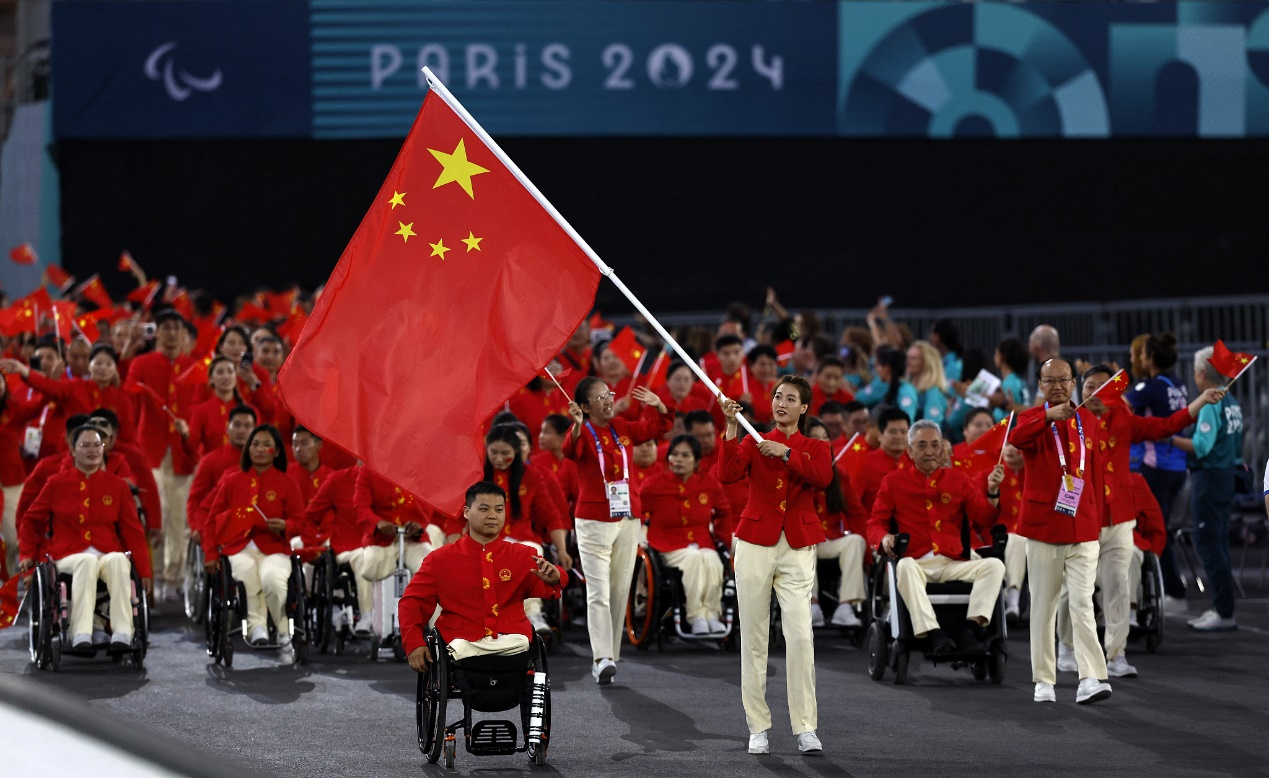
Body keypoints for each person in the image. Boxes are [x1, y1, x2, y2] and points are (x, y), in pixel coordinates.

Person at [1057, 365, 1225, 676]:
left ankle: (1116, 654)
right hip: (1083, 519)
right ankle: (1065, 646)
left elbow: (1166, 425)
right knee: (1073, 587)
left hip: (1120, 519)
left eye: (1100, 386)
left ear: (1114, 392)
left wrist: (1200, 401)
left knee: (1119, 584)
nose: (1093, 392)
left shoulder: (1123, 419)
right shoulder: (1068, 422)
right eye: (1087, 386)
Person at [718, 376, 831, 756]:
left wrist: (784, 453)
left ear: (804, 408)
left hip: (797, 545)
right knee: (753, 637)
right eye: (778, 396)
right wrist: (732, 427)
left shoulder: (814, 446)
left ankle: (806, 727)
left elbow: (823, 477)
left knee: (800, 636)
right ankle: (758, 727)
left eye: (791, 399)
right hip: (753, 542)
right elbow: (727, 474)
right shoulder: (752, 438)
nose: (782, 403)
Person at [1008, 358, 1111, 705]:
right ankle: (1043, 680)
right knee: (1044, 606)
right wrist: (1045, 417)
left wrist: (1097, 522)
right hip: (1042, 528)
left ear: (1073, 383)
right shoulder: (1030, 418)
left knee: (1082, 602)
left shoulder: (1089, 421)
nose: (1056, 386)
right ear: (1039, 384)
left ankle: (1091, 677)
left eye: (1063, 380)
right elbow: (1018, 439)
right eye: (1049, 380)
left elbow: (1094, 475)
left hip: (1083, 527)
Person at [564, 378, 673, 685]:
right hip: (594, 520)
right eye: (599, 398)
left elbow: (658, 427)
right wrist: (575, 425)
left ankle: (611, 654)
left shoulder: (622, 427)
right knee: (598, 591)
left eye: (608, 394)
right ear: (585, 407)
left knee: (619, 589)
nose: (608, 400)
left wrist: (658, 404)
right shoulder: (583, 431)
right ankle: (601, 658)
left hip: (627, 517)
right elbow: (570, 451)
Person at [868, 419, 1004, 654]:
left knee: (994, 566)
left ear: (942, 448)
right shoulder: (893, 482)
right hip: (917, 562)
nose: (929, 451)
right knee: (904, 566)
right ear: (910, 451)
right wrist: (885, 538)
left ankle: (970, 630)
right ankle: (933, 633)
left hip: (953, 561)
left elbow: (985, 518)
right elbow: (875, 524)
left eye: (934, 445)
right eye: (921, 445)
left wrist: (992, 490)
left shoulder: (959, 480)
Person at [400, 482, 566, 671]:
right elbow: (412, 602)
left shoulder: (523, 555)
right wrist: (414, 643)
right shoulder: (439, 559)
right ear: (466, 512)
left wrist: (555, 577)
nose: (492, 515)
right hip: (460, 642)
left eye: (499, 509)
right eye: (484, 509)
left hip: (513, 639)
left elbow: (554, 580)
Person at [17, 424, 152, 651]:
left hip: (107, 551)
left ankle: (122, 632)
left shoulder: (117, 486)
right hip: (67, 555)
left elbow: (133, 531)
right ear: (72, 450)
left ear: (104, 449)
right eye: (84, 445)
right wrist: (27, 554)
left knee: (120, 560)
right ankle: (80, 633)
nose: (92, 450)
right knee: (86, 561)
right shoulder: (56, 484)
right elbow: (30, 521)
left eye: (97, 445)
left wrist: (145, 571)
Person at [203, 424, 306, 661]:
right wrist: (210, 554)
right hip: (238, 548)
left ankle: (282, 632)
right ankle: (257, 627)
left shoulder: (287, 483)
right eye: (255, 444)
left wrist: (285, 526)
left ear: (277, 451)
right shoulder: (231, 481)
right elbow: (211, 521)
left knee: (272, 580)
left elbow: (300, 522)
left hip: (275, 549)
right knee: (247, 576)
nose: (260, 449)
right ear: (248, 449)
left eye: (266, 445)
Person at [1168, 346, 1243, 632]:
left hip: (1209, 478)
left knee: (1209, 544)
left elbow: (1201, 447)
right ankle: (1222, 608)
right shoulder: (1232, 399)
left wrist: (1169, 439)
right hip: (1227, 476)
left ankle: (1223, 610)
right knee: (1219, 542)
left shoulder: (1210, 403)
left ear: (1201, 373)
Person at [124, 309, 196, 601]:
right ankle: (149, 576)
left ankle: (175, 578)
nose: (170, 333)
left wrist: (190, 431)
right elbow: (128, 399)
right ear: (158, 332)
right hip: (149, 450)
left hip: (182, 452)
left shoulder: (194, 367)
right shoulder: (141, 364)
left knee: (180, 517)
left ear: (182, 333)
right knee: (156, 515)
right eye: (165, 327)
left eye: (175, 328)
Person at [479, 425, 572, 635]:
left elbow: (550, 514)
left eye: (506, 454)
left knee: (532, 553)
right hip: (484, 540)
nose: (499, 458)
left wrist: (563, 549)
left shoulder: (531, 475)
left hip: (521, 538)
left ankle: (534, 614)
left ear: (517, 452)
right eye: (493, 452)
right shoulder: (477, 474)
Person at [1124, 332, 1191, 612]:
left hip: (1159, 468)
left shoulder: (1151, 387)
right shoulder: (1177, 383)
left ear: (1149, 358)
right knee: (1160, 527)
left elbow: (1120, 406)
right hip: (1178, 467)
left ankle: (1172, 591)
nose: (1138, 359)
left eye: (1140, 355)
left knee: (1154, 530)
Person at [639, 434, 731, 635]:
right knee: (695, 559)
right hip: (666, 544)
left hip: (702, 541)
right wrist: (640, 539)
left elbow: (724, 513)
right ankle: (696, 615)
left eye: (685, 455)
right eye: (674, 454)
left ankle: (712, 614)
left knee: (713, 560)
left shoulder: (709, 483)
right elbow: (637, 512)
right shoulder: (653, 484)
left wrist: (722, 540)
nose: (678, 459)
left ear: (697, 461)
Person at [0, 343, 139, 444]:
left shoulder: (121, 399)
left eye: (108, 364)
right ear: (89, 366)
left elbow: (128, 436)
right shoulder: (75, 386)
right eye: (98, 363)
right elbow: (49, 386)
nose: (103, 368)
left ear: (115, 369)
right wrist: (24, 370)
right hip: (71, 452)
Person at [804, 418, 866, 628]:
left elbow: (856, 514)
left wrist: (869, 553)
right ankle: (812, 605)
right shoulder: (792, 471)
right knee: (805, 540)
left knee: (856, 541)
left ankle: (846, 606)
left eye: (825, 438)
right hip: (802, 539)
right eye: (815, 438)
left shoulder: (840, 475)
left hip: (830, 539)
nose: (823, 443)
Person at [186, 406, 256, 550]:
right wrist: (197, 528)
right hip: (220, 527)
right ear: (227, 429)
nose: (242, 430)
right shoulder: (210, 461)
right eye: (237, 425)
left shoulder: (263, 462)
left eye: (247, 426)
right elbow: (196, 500)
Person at [856, 408, 913, 511]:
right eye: (893, 431)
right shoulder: (864, 463)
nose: (899, 436)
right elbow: (853, 505)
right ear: (880, 435)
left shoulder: (915, 462)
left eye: (903, 432)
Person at [856, 347, 918, 420]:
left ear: (887, 367)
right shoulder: (887, 389)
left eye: (878, 366)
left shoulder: (906, 391)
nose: (877, 370)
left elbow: (907, 420)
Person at [907, 341, 950, 429]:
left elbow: (931, 429)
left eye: (914, 358)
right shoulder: (910, 389)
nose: (908, 362)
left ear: (927, 363)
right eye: (907, 358)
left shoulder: (933, 393)